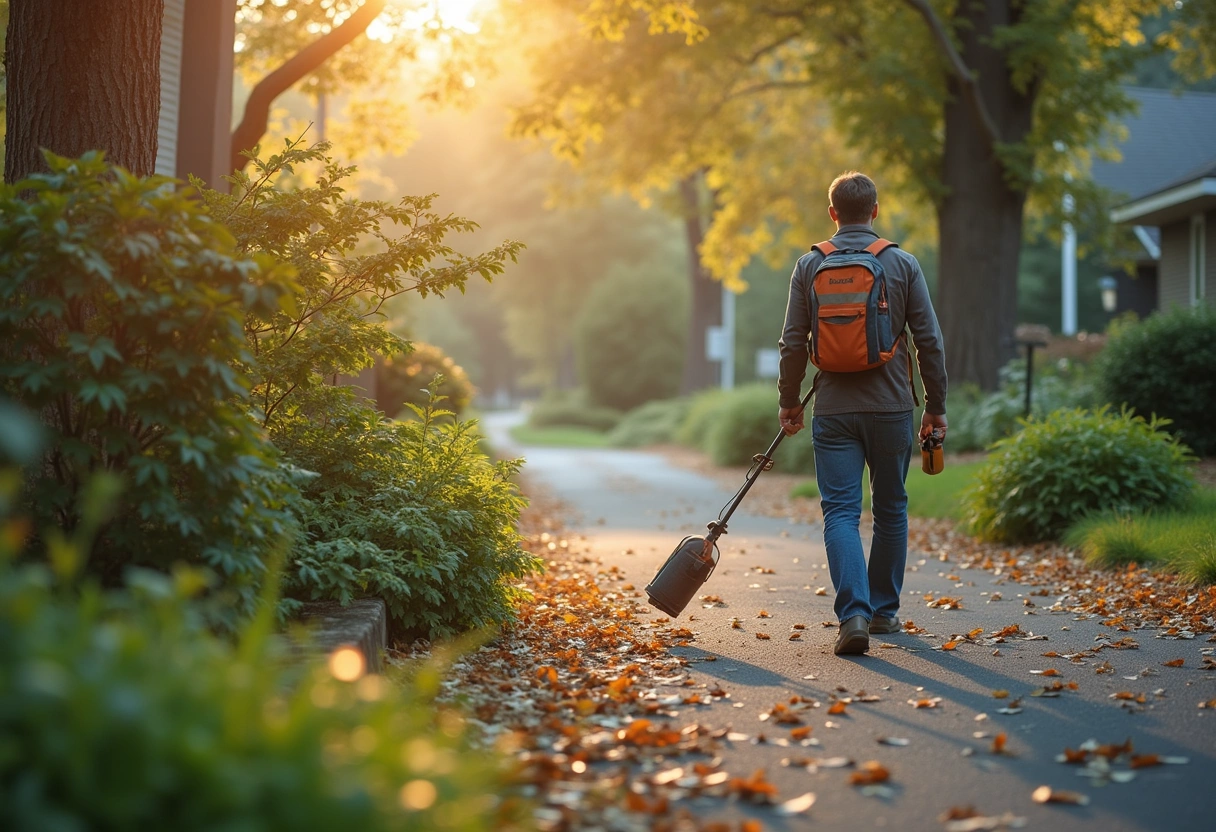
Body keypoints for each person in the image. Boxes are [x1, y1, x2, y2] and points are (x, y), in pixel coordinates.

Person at [776, 171, 948, 656]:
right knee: (890, 508)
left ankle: (853, 613)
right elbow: (928, 342)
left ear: (833, 213)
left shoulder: (810, 265)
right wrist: (936, 407)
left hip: (833, 410)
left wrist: (789, 400)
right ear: (875, 210)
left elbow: (792, 341)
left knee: (841, 512)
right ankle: (884, 611)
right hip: (892, 406)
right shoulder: (902, 263)